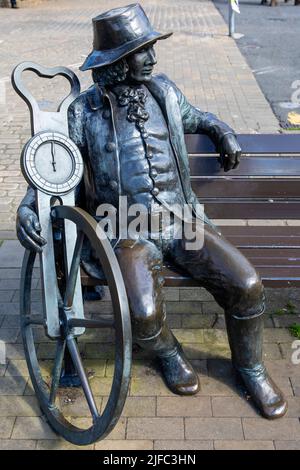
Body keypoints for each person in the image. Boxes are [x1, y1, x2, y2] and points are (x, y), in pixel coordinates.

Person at [16, 3, 287, 419]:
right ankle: (169, 352)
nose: (152, 57)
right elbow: (58, 170)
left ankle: (250, 367)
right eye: (142, 50)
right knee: (141, 315)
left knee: (247, 283)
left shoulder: (165, 90)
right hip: (126, 230)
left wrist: (221, 130)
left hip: (183, 222)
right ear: (118, 60)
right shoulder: (82, 113)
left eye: (150, 48)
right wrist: (28, 207)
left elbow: (198, 116)